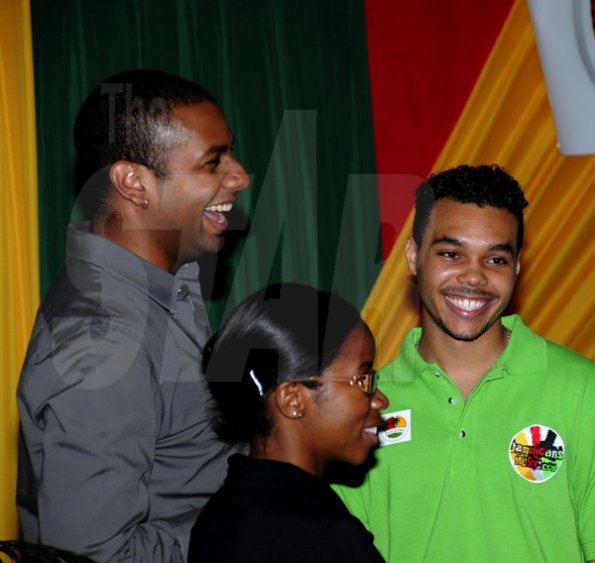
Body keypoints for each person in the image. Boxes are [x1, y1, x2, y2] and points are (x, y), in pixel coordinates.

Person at [16, 69, 250, 562]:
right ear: (133, 182)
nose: (240, 177)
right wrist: (255, 529)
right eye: (213, 162)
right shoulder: (102, 340)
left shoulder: (158, 286)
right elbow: (95, 557)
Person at [334, 164, 595, 562]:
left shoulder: (582, 389)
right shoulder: (363, 405)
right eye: (452, 254)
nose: (474, 277)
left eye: (496, 260)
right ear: (413, 255)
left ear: (517, 268)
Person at [186, 282, 388, 562]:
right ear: (292, 399)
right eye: (364, 380)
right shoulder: (324, 537)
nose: (380, 400)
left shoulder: (216, 519)